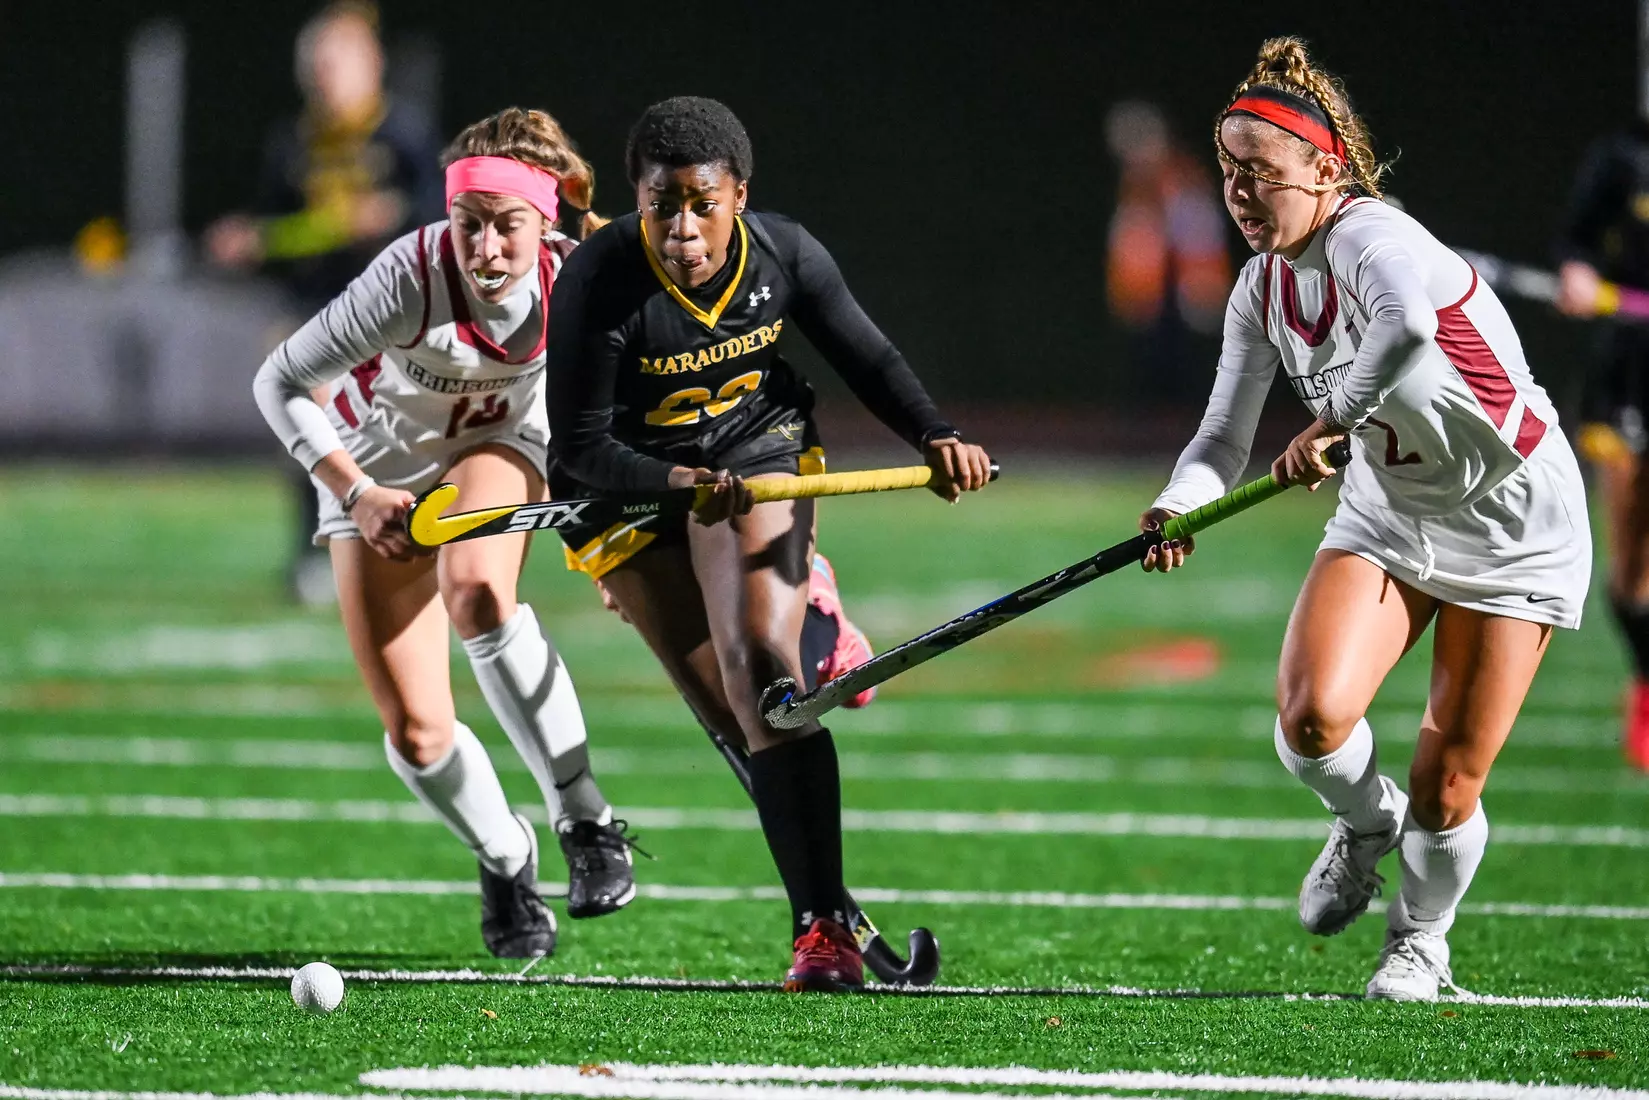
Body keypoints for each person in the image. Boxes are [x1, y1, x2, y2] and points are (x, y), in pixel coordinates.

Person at [1139, 38, 1590, 1001]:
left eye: (1261, 174)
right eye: (1227, 172)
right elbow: (1220, 440)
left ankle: (1420, 941)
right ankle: (1362, 817)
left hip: (1510, 518)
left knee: (1448, 787)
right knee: (1309, 720)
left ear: (1325, 169)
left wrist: (1330, 419)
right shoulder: (1260, 288)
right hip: (1389, 508)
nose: (1238, 193)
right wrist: (1178, 506)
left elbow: (1408, 328)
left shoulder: (1370, 237)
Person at [545, 96, 993, 991]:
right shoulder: (599, 279)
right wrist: (676, 483)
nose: (680, 228)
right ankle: (811, 630)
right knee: (732, 719)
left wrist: (934, 435)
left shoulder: (784, 253)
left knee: (766, 682)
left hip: (752, 457)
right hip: (629, 491)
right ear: (635, 198)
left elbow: (865, 356)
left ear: (737, 196)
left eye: (701, 204)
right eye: (659, 203)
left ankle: (819, 930)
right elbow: (580, 447)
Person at [251, 107, 633, 960]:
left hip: (501, 446)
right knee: (417, 733)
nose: (488, 248)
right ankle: (505, 854)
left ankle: (584, 816)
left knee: (479, 588)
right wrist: (357, 491)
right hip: (376, 467)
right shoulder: (406, 276)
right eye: (471, 224)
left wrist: (616, 550)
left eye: (509, 226)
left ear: (547, 222)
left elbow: (609, 425)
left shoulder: (582, 283)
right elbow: (279, 382)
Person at [207, 2, 444, 607]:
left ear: (373, 65)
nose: (326, 76)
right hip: (319, 307)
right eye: (317, 64)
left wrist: (396, 219)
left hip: (397, 308)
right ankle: (317, 549)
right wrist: (247, 238)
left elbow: (441, 219)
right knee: (303, 407)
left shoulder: (404, 136)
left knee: (397, 432)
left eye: (338, 62)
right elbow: (277, 224)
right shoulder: (294, 141)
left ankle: (413, 540)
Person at [1553, 120, 1649, 771]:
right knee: (1630, 574)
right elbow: (1576, 240)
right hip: (1630, 370)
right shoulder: (1622, 154)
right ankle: (1646, 679)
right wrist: (1578, 273)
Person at [1104, 100, 1233, 403]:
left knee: (1193, 379)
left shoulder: (1183, 177)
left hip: (1188, 294)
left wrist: (1204, 287)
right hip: (1150, 298)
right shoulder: (1133, 186)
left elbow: (1200, 234)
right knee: (1148, 376)